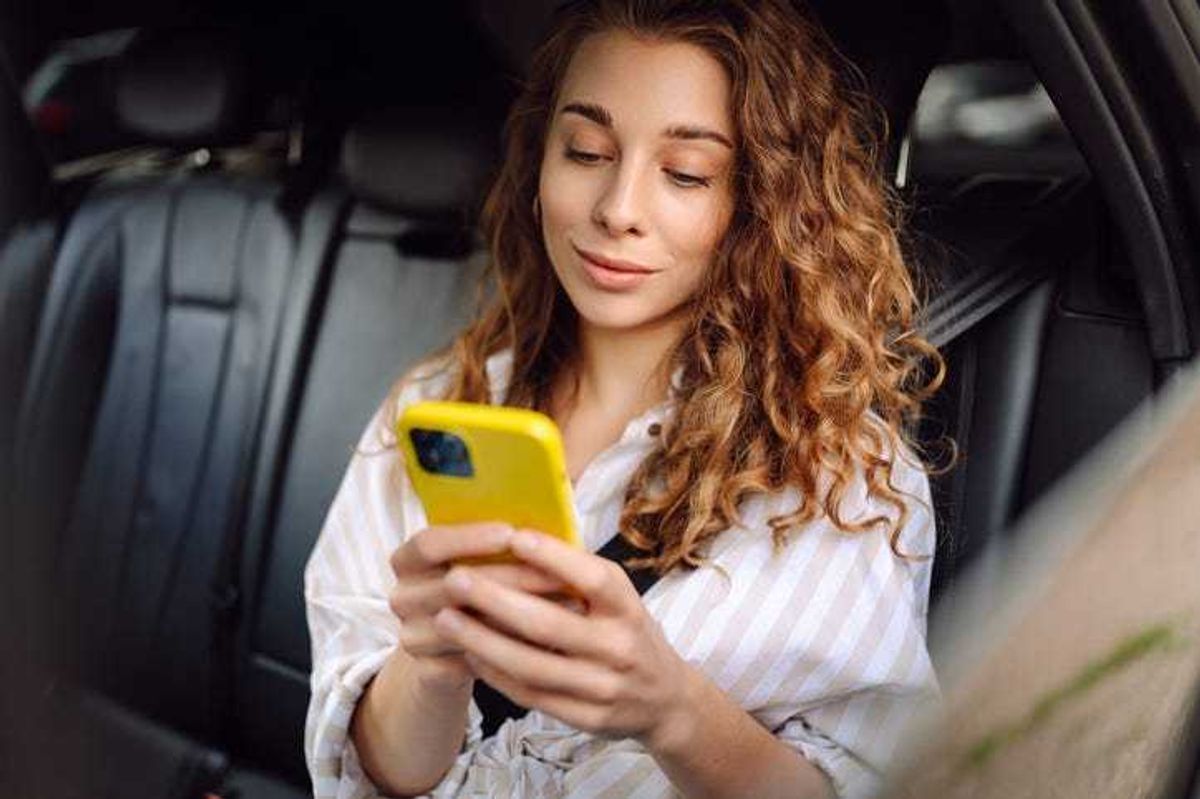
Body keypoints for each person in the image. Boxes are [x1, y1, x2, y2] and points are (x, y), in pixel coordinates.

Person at [304, 0, 945, 797]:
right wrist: (430, 662)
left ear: (762, 205)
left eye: (686, 173)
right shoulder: (434, 407)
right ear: (540, 162)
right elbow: (367, 776)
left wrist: (671, 709)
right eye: (587, 152)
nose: (618, 210)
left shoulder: (842, 480)